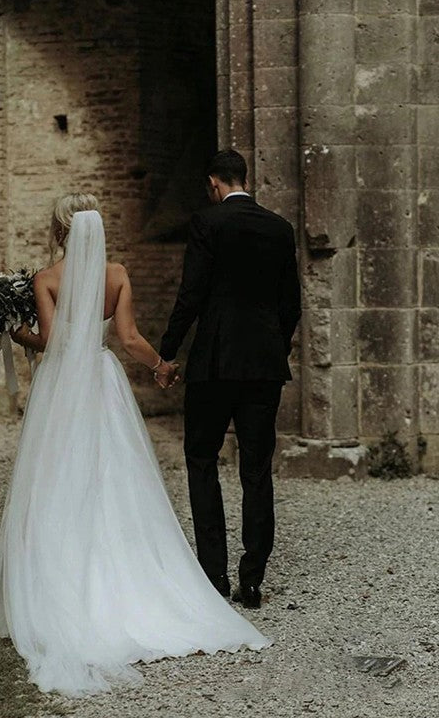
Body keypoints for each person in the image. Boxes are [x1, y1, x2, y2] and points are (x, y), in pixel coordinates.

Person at [0, 193, 271, 697]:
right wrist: (161, 366)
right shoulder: (116, 274)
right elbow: (130, 338)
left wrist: (15, 332)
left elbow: (50, 342)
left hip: (61, 389)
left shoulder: (47, 279)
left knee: (56, 479)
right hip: (102, 378)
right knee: (115, 477)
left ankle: (57, 584)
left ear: (60, 231)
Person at [159, 149, 301, 609]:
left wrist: (166, 351)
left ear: (214, 183)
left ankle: (215, 575)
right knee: (257, 469)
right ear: (244, 178)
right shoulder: (280, 228)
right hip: (263, 365)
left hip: (215, 364)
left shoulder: (207, 223)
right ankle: (253, 579)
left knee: (202, 458)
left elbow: (192, 295)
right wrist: (274, 348)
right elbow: (290, 305)